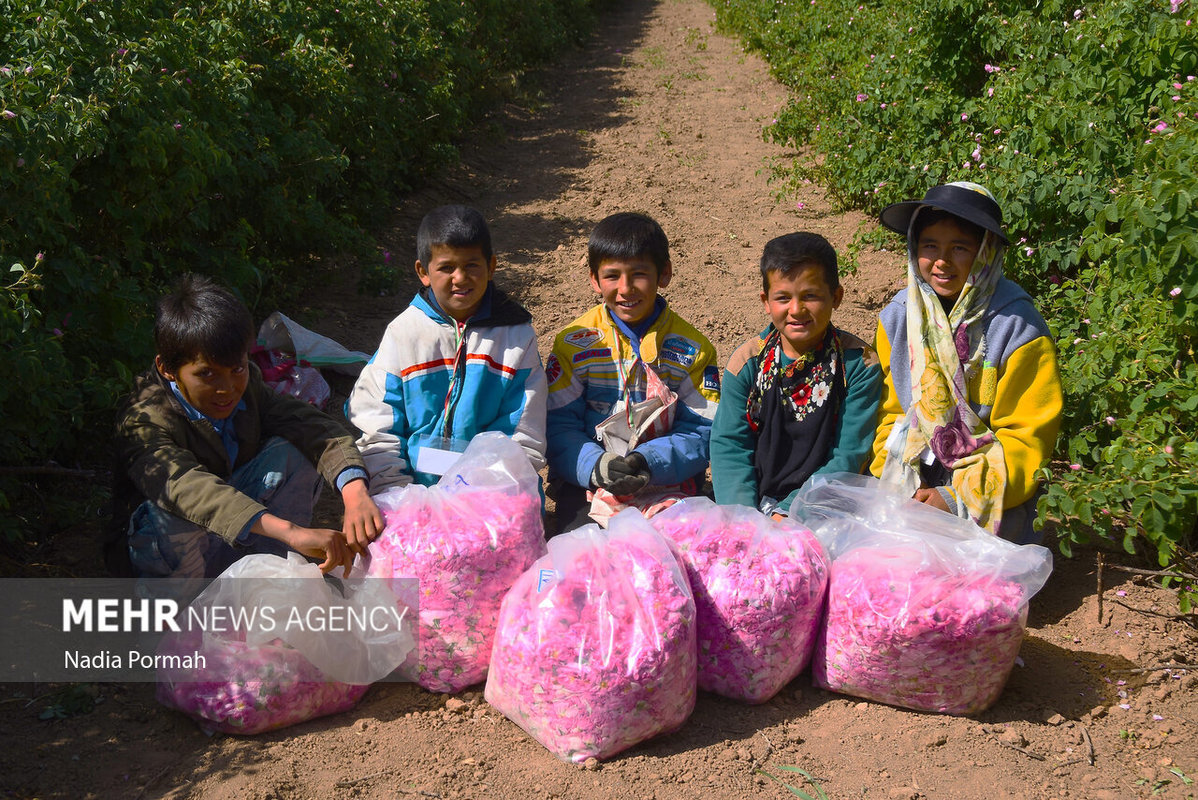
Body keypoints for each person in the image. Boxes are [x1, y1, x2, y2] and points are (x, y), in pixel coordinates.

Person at [109, 274, 377, 582]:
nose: (227, 388)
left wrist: (355, 490)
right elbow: (188, 489)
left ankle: (265, 579)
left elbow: (312, 425)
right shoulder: (143, 419)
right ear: (167, 368)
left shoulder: (248, 385)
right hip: (169, 555)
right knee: (170, 520)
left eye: (236, 368)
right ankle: (178, 621)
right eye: (206, 374)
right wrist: (290, 532)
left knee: (297, 452)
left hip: (232, 532)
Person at [869, 181, 1063, 542]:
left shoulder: (1018, 330)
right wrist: (904, 483)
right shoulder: (899, 318)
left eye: (959, 248)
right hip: (910, 482)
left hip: (989, 494)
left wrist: (951, 498)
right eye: (930, 246)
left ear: (986, 253)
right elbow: (889, 414)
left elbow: (1026, 440)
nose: (942, 261)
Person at [347, 204, 547, 492]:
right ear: (423, 272)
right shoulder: (404, 334)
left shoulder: (516, 336)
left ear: (491, 266)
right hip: (409, 486)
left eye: (471, 266)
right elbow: (379, 428)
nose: (460, 278)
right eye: (446, 267)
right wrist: (399, 494)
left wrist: (480, 493)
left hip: (491, 493)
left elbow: (523, 433)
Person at [545, 212, 720, 531]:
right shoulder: (575, 344)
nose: (625, 289)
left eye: (639, 274)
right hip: (589, 485)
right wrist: (595, 466)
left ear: (663, 274)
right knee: (585, 559)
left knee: (681, 556)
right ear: (594, 279)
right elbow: (558, 425)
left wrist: (647, 462)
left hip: (668, 482)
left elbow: (701, 431)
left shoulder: (693, 349)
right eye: (612, 276)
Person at [711, 232, 882, 517]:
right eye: (782, 298)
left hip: (828, 503)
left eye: (810, 296)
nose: (796, 310)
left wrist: (789, 512)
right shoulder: (747, 363)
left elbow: (849, 455)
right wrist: (743, 517)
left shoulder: (857, 364)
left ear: (836, 297)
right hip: (755, 500)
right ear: (766, 301)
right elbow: (730, 444)